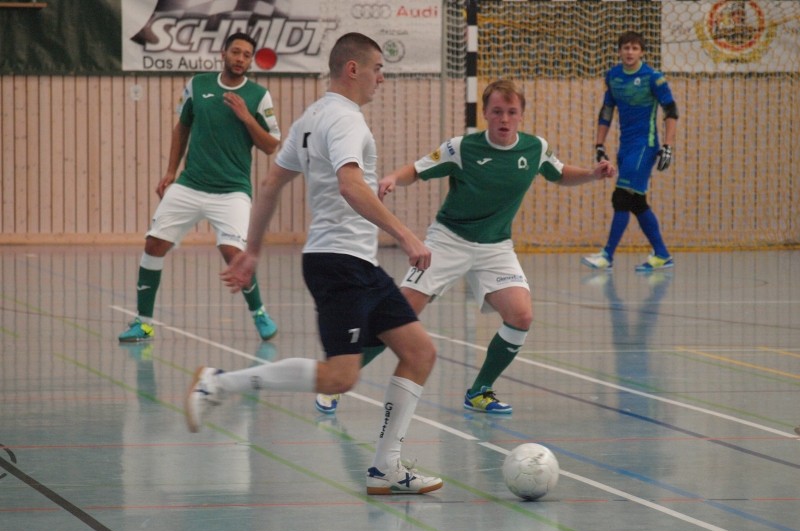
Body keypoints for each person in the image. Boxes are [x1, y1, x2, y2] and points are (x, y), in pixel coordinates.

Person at [184, 33, 443, 496]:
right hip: (340, 262)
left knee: (419, 353)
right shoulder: (345, 120)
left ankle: (385, 468)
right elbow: (350, 185)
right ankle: (218, 384)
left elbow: (270, 184)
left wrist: (252, 251)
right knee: (341, 376)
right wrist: (405, 234)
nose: (381, 78)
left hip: (354, 261)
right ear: (353, 69)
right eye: (378, 69)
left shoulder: (310, 118)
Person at [315, 79, 616, 416]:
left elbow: (559, 174)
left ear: (521, 115)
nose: (504, 119)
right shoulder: (462, 148)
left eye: (511, 112)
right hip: (449, 240)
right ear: (485, 113)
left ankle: (480, 391)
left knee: (521, 315)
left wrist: (592, 174)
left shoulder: (535, 148)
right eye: (497, 111)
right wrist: (394, 179)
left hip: (495, 246)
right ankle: (337, 379)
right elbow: (416, 169)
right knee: (400, 314)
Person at [118, 32, 281, 343]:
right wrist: (170, 171)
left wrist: (247, 118)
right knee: (153, 244)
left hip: (232, 189)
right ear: (223, 53)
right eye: (235, 52)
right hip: (190, 183)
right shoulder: (198, 84)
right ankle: (143, 322)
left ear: (251, 61)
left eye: (247, 55)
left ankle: (259, 313)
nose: (240, 59)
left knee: (233, 253)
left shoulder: (259, 96)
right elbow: (182, 127)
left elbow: (271, 145)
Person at [582, 30, 678, 273]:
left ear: (642, 52)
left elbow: (671, 110)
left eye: (635, 48)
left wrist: (667, 146)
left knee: (621, 197)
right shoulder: (613, 76)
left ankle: (607, 256)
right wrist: (599, 145)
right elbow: (606, 110)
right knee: (636, 201)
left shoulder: (653, 78)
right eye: (626, 47)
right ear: (619, 51)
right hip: (625, 147)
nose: (630, 52)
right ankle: (662, 254)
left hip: (645, 146)